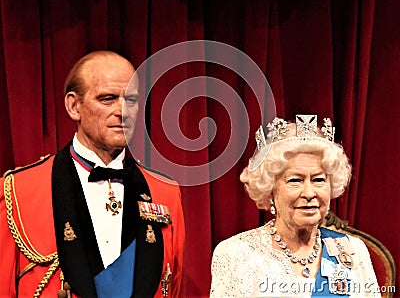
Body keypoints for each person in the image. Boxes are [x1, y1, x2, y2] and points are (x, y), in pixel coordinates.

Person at [0, 51, 185, 298]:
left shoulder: (165, 192)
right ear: (74, 106)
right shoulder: (18, 191)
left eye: (131, 100)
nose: (123, 111)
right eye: (108, 99)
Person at [210, 114, 380, 297]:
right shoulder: (237, 254)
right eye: (295, 180)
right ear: (270, 189)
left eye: (318, 180)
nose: (309, 192)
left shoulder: (352, 250)